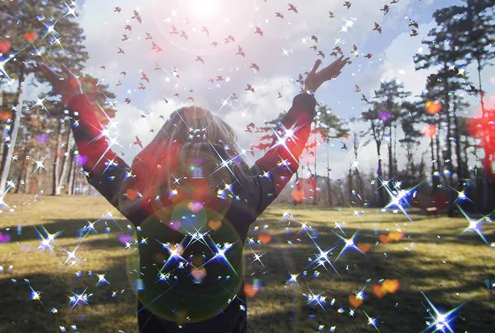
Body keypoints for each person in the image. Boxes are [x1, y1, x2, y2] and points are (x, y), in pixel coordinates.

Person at [38, 56, 349, 332]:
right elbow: (286, 151)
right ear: (225, 140)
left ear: (163, 140)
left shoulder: (143, 195)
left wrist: (76, 99)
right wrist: (308, 93)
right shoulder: (244, 191)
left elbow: (98, 157)